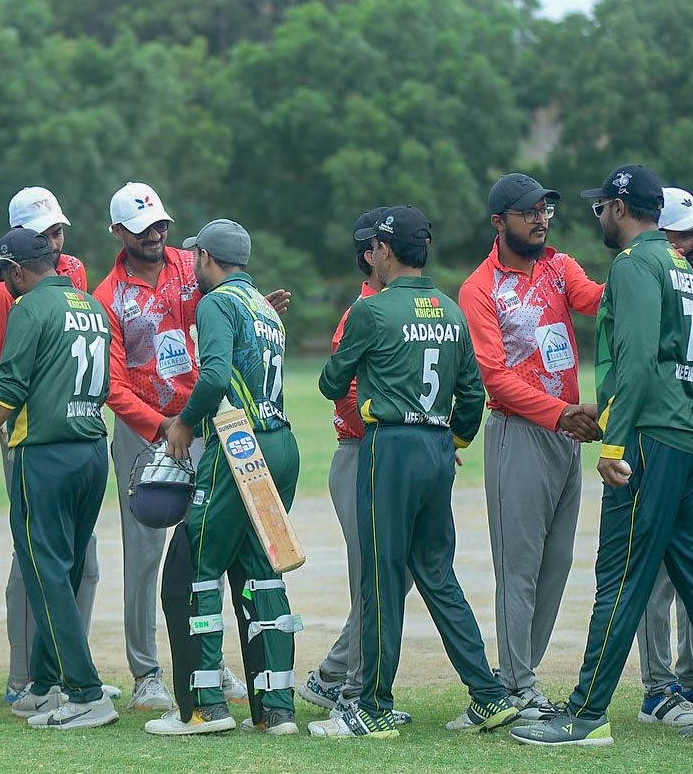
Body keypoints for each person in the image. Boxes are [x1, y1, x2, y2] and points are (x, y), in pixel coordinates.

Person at [311, 206, 515, 739]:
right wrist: (453, 440)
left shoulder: (372, 310)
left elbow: (331, 383)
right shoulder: (450, 310)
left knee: (381, 577)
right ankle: (489, 696)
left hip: (390, 448)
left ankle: (372, 707)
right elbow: (472, 395)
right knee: (438, 575)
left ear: (382, 250)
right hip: (438, 448)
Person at [513, 164, 693, 747]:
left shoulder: (636, 262)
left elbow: (636, 361)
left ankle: (586, 715)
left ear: (619, 208)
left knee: (618, 578)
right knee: (691, 574)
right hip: (685, 436)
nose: (599, 217)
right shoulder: (681, 265)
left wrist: (613, 442)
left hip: (649, 438)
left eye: (601, 208)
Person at [93, 182, 262, 710]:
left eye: (161, 224)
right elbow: (113, 385)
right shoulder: (107, 296)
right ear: (118, 232)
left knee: (208, 546)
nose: (156, 234)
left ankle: (209, 662)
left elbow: (226, 320)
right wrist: (161, 427)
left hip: (205, 422)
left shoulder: (194, 268)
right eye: (143, 229)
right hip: (146, 432)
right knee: (144, 556)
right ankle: (146, 673)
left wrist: (256, 313)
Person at [142, 219, 301, 737]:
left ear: (206, 257)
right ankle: (276, 710)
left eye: (195, 256)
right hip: (281, 442)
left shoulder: (215, 302)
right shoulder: (264, 308)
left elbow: (213, 376)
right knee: (262, 568)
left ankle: (204, 707)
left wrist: (185, 423)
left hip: (239, 442)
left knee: (199, 565)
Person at [0, 227, 117, 730]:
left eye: (5, 271)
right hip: (93, 449)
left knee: (45, 573)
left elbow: (6, 389)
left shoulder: (28, 308)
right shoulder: (91, 305)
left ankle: (86, 693)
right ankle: (47, 683)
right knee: (65, 571)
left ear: (17, 269)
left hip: (45, 452)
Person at [458, 173, 604, 719]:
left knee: (557, 564)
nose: (541, 219)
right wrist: (561, 413)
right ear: (499, 222)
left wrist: (650, 269)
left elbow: (597, 301)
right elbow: (493, 376)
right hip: (519, 433)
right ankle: (518, 683)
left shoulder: (560, 267)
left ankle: (519, 675)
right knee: (518, 568)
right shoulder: (480, 288)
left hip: (568, 435)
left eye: (545, 210)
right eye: (528, 211)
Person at [298, 208, 413, 726]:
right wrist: (392, 436)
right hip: (361, 455)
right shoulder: (361, 312)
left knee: (396, 574)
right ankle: (348, 690)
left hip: (391, 454)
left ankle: (333, 676)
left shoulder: (401, 309)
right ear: (371, 254)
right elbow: (343, 394)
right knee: (372, 578)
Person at [626, 186, 693, 727]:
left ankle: (688, 679)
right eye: (686, 235)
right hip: (666, 433)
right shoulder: (655, 273)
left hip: (681, 433)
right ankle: (660, 686)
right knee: (656, 570)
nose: (692, 244)